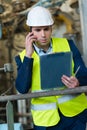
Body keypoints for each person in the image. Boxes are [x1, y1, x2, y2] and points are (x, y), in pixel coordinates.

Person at [15, 6, 87, 130]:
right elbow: (22, 89)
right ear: (30, 31)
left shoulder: (68, 44)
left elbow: (84, 75)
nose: (43, 35)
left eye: (46, 29)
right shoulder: (22, 57)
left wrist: (78, 82)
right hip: (46, 121)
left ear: (51, 28)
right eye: (38, 30)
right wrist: (28, 56)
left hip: (76, 115)